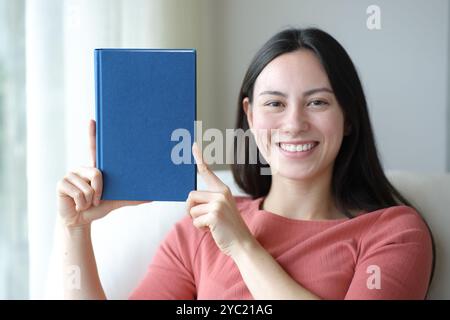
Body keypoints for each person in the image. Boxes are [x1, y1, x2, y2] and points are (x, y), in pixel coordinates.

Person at [57, 27, 434, 300]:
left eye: (317, 102)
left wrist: (241, 245)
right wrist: (75, 229)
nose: (294, 123)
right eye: (274, 103)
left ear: (348, 116)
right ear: (250, 117)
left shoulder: (393, 232)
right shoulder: (199, 229)